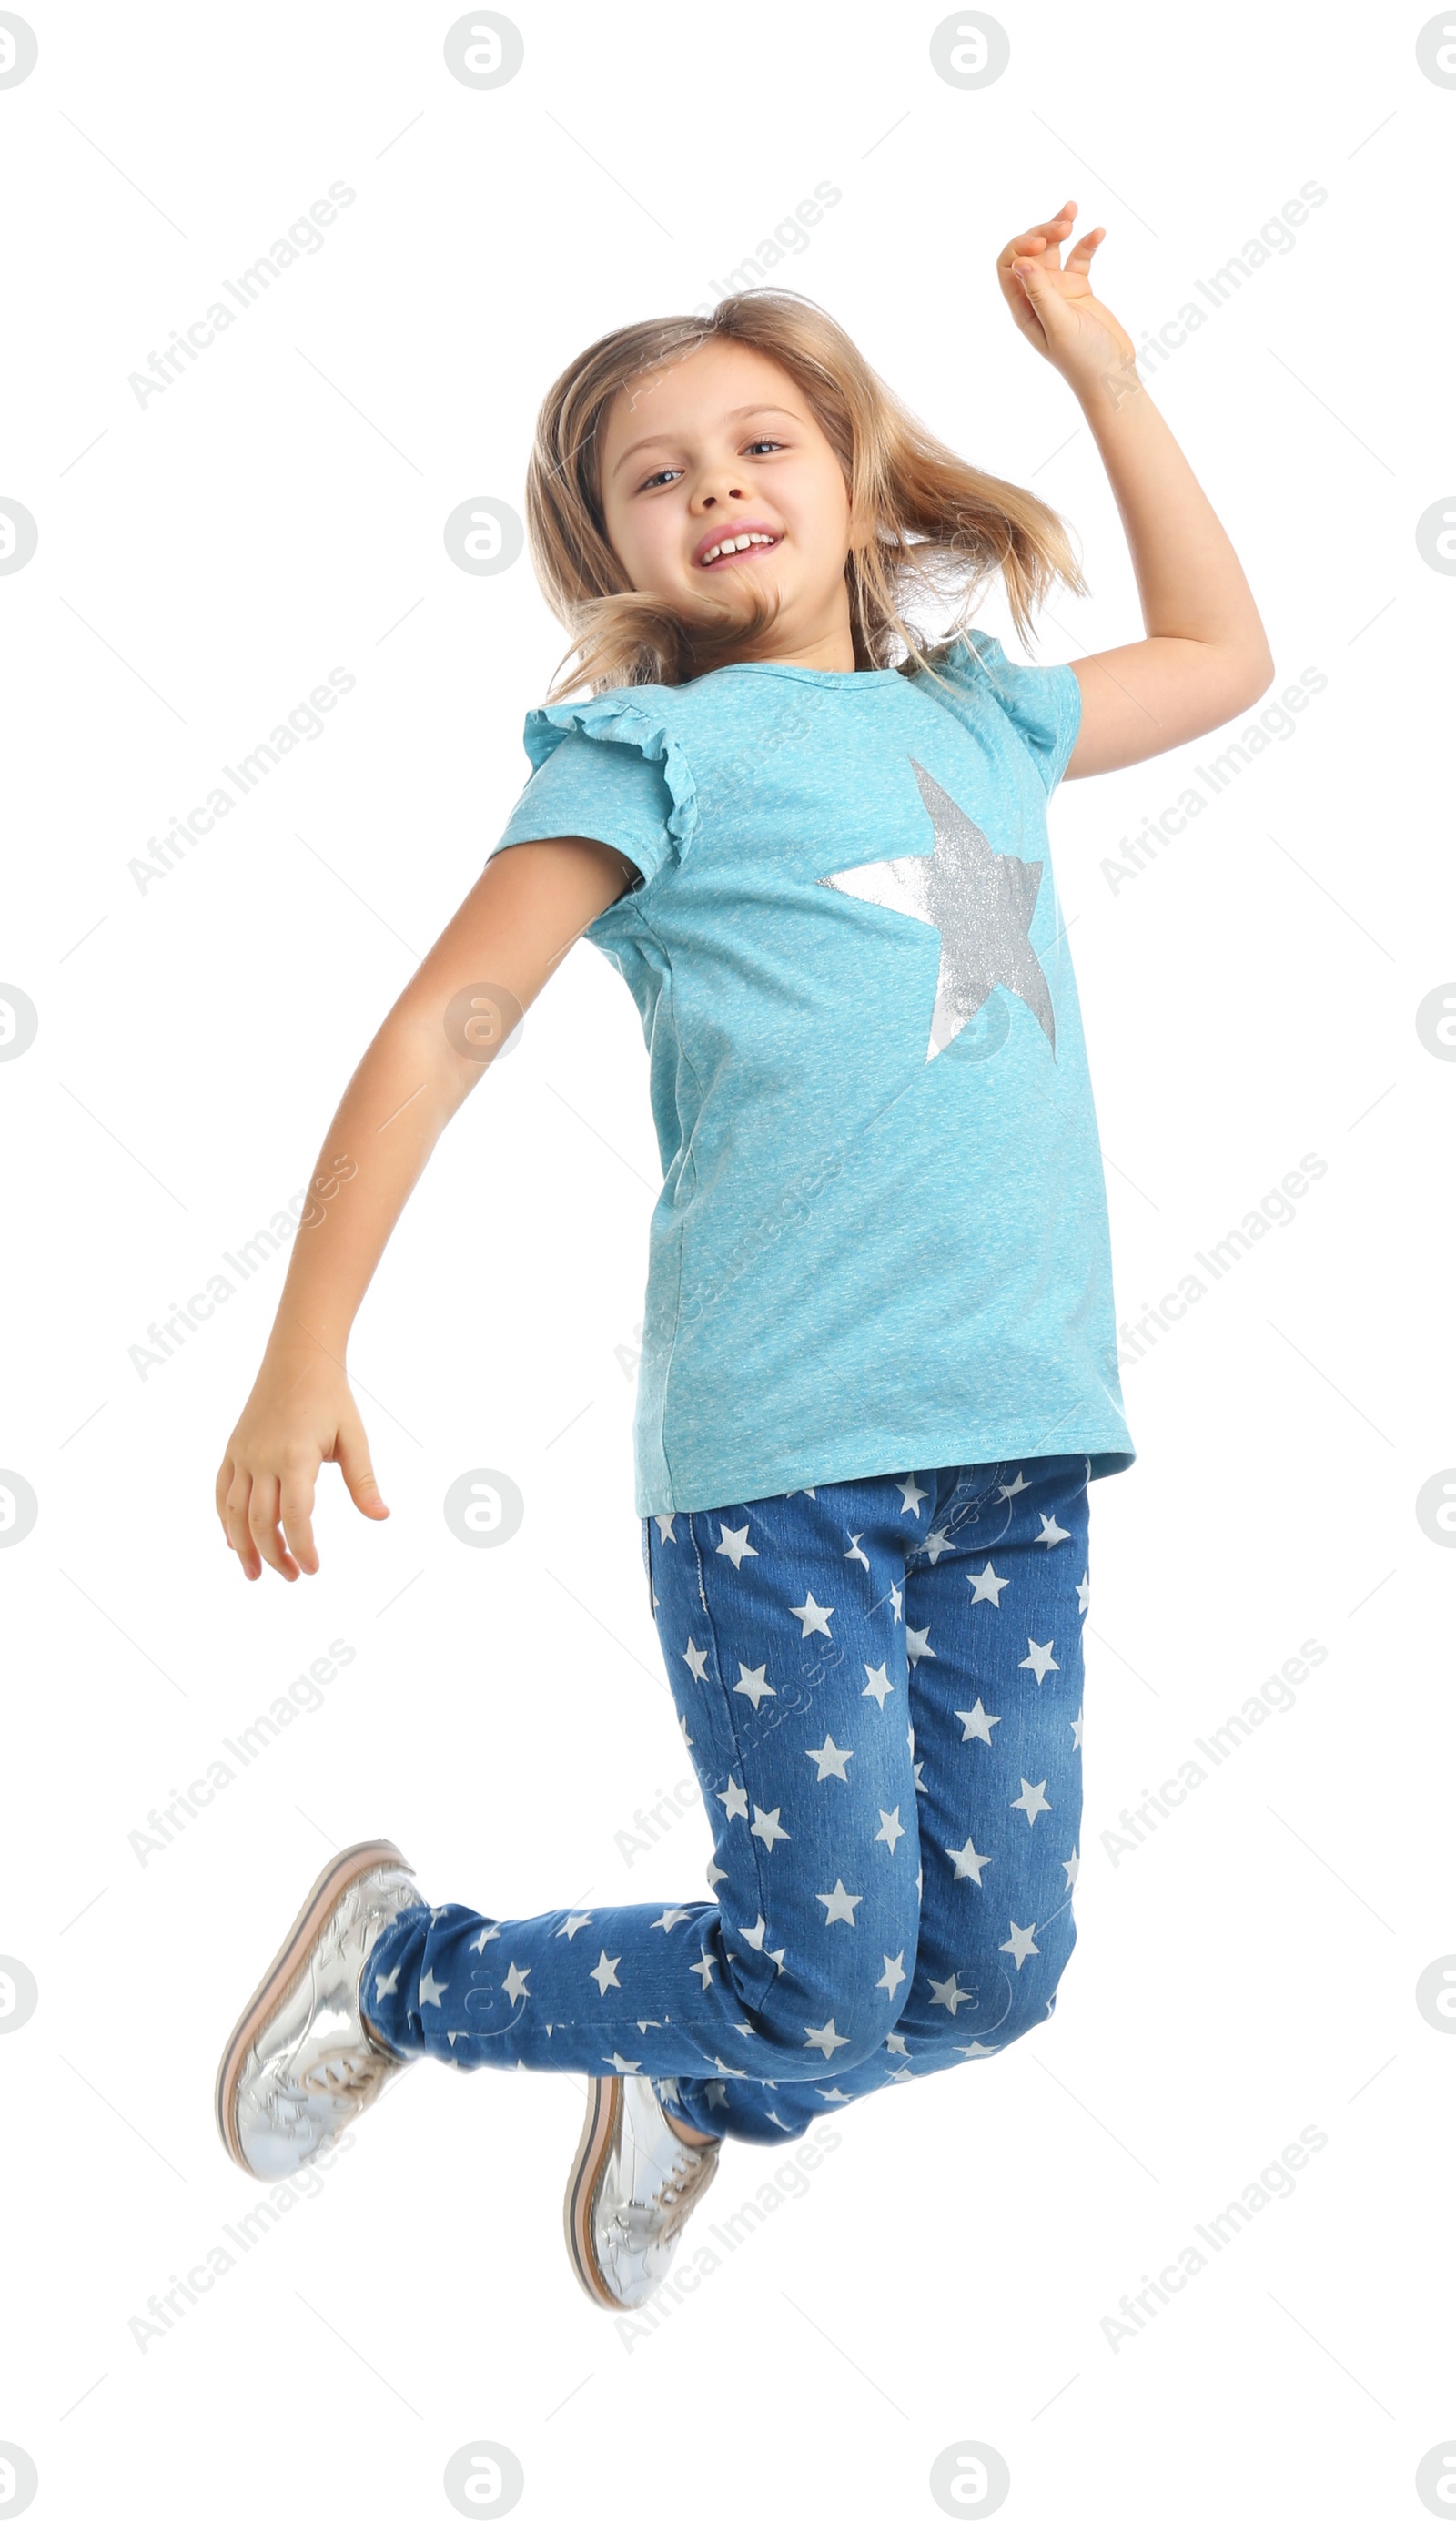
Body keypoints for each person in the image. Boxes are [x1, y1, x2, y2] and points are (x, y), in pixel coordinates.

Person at [213, 205, 1273, 2314]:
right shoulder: (646, 759)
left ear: (858, 483)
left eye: (762, 443)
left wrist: (1101, 372)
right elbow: (445, 1024)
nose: (717, 486)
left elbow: (1227, 656)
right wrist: (303, 1346)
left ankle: (699, 2093)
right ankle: (404, 1970)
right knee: (809, 1971)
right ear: (608, 550)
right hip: (778, 1471)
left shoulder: (986, 724)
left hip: (1020, 1450)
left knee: (986, 1984)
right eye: (656, 471)